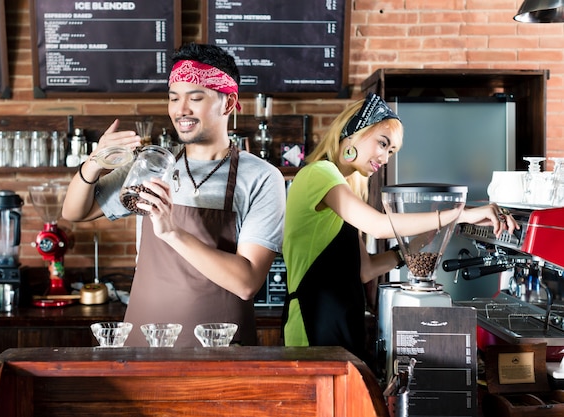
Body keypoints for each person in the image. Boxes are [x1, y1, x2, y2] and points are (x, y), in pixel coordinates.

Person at [62, 43, 286, 347]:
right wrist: (94, 163)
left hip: (219, 352)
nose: (181, 110)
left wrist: (172, 232)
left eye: (195, 98)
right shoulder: (152, 164)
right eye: (173, 98)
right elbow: (76, 212)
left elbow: (246, 282)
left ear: (229, 103)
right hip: (143, 345)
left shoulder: (261, 177)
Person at [281, 92, 518, 364]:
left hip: (341, 321)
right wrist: (460, 214)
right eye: (382, 143)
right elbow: (378, 226)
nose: (384, 157)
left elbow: (365, 270)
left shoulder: (344, 188)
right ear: (353, 131)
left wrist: (415, 245)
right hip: (312, 325)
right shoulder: (319, 173)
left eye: (391, 151)